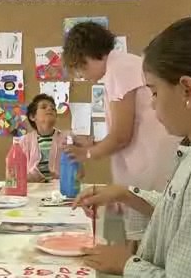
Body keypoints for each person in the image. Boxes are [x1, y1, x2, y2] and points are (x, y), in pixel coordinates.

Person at [73, 17, 191, 278]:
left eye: (154, 92)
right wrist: (125, 193)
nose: (151, 105)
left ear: (187, 90)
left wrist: (127, 264)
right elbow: (181, 209)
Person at [62, 22, 179, 248]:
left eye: (81, 67)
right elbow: (125, 130)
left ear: (89, 55)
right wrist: (94, 144)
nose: (82, 75)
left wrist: (87, 153)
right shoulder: (124, 66)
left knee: (144, 240)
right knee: (140, 234)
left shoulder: (119, 69)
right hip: (148, 160)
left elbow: (121, 136)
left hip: (150, 164)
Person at [16, 94, 83, 183]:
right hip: (33, 188)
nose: (49, 109)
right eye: (44, 107)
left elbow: (80, 171)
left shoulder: (67, 138)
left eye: (53, 108)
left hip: (60, 188)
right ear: (32, 116)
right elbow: (17, 171)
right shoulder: (24, 141)